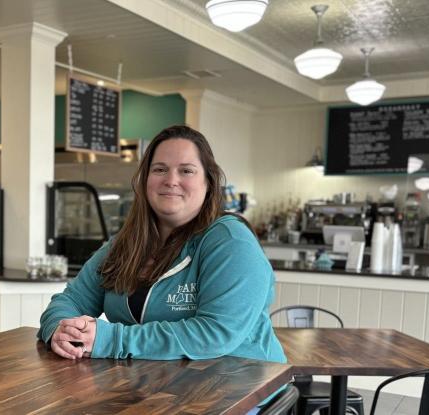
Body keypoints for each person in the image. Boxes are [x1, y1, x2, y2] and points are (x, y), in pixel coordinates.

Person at [38, 125, 286, 407]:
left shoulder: (230, 241)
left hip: (237, 392)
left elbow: (215, 334)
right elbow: (70, 300)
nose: (171, 180)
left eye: (186, 170)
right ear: (145, 180)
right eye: (159, 169)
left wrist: (111, 338)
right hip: (150, 390)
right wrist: (59, 329)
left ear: (209, 182)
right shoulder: (124, 243)